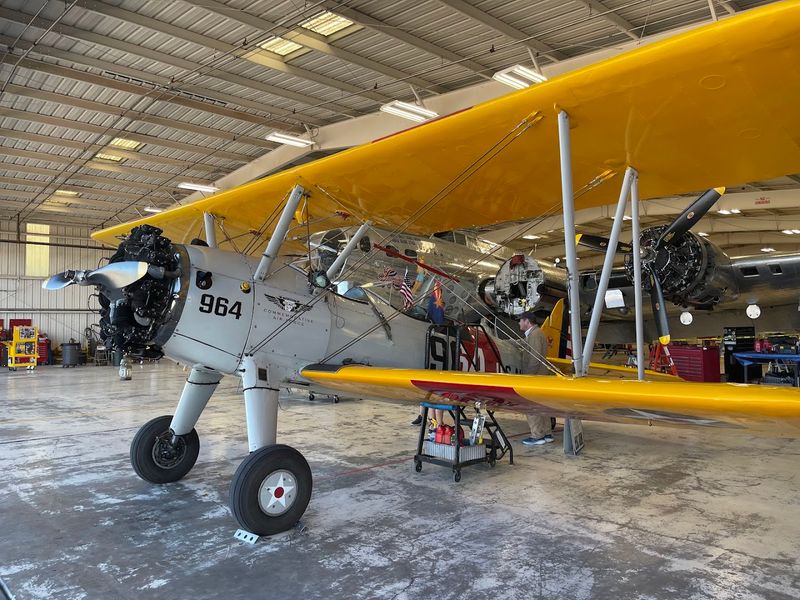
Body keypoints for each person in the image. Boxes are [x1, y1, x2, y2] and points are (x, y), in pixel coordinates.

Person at [517, 311, 555, 446]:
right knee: (541, 405)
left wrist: (528, 376)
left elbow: (535, 358)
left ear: (527, 321)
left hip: (534, 375)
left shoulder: (534, 335)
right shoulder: (537, 333)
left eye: (520, 320)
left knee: (531, 407)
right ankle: (547, 433)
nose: (519, 323)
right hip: (541, 374)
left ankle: (537, 435)